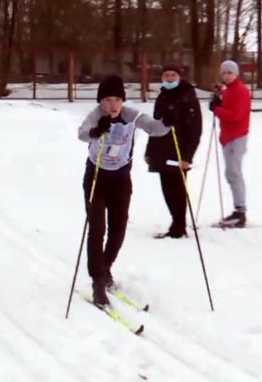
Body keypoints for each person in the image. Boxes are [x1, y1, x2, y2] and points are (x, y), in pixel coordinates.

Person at [78, 74, 173, 306]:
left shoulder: (131, 115)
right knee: (97, 229)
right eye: (107, 100)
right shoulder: (96, 116)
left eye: (117, 100)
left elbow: (155, 128)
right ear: (101, 102)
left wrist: (169, 121)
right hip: (97, 178)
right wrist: (95, 132)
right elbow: (82, 132)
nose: (112, 105)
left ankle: (105, 267)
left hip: (120, 179)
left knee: (118, 228)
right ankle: (97, 281)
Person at [144, 63, 202, 239]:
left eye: (173, 75)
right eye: (166, 75)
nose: (169, 78)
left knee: (177, 187)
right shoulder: (162, 96)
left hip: (179, 147)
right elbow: (154, 124)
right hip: (162, 148)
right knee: (167, 187)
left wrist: (188, 156)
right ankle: (175, 222)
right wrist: (149, 150)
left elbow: (195, 128)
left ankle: (179, 225)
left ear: (179, 77)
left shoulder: (187, 96)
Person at [210, 60, 252, 228]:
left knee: (234, 172)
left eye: (229, 73)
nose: (226, 76)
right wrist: (218, 98)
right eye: (224, 73)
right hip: (227, 137)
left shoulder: (242, 91)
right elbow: (225, 101)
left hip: (237, 136)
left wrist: (217, 109)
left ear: (236, 74)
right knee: (230, 173)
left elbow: (236, 115)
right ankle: (238, 209)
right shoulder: (227, 91)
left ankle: (240, 212)